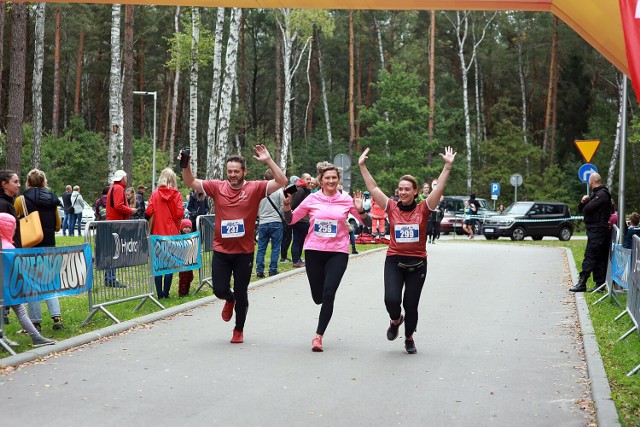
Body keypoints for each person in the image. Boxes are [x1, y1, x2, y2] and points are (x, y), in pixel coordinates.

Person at [180, 145, 288, 344]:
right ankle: (229, 299)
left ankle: (238, 329)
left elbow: (282, 181)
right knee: (219, 290)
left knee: (242, 291)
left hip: (244, 252)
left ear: (244, 172)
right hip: (221, 250)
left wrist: (268, 161)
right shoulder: (217, 187)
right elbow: (190, 181)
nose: (232, 175)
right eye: (229, 171)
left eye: (236, 171)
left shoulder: (254, 188)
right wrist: (185, 164)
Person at [359, 146, 456, 354]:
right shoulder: (391, 207)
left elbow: (438, 190)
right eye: (400, 189)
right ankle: (395, 320)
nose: (402, 192)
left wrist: (447, 166)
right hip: (394, 260)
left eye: (407, 189)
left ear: (415, 192)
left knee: (411, 304)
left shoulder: (423, 208)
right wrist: (362, 166)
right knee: (391, 300)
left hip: (418, 263)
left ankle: (409, 337)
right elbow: (373, 188)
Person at [283, 161, 365, 352]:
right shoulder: (312, 199)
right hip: (314, 251)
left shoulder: (345, 199)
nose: (331, 180)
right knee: (318, 297)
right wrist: (287, 206)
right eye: (327, 178)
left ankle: (318, 336)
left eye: (334, 177)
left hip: (338, 252)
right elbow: (291, 220)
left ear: (338, 180)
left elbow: (365, 222)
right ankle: (320, 303)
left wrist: (360, 209)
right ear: (320, 180)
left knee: (329, 294)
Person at [13, 169, 64, 331]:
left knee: (31, 284)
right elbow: (58, 226)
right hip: (49, 244)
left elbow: (14, 221)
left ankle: (35, 321)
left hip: (30, 245)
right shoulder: (52, 200)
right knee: (49, 281)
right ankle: (56, 317)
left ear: (28, 183)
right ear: (44, 182)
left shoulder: (21, 200)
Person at [0, 212, 57, 348]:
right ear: (7, 228)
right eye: (13, 226)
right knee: (19, 309)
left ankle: (3, 337)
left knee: (17, 309)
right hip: (6, 286)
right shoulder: (7, 246)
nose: (14, 229)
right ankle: (35, 337)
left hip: (6, 286)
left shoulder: (6, 244)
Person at [146, 167, 184, 299]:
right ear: (173, 179)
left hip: (157, 233)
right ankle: (166, 293)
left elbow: (149, 211)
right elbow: (179, 213)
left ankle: (159, 295)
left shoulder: (155, 194)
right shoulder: (177, 195)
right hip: (172, 233)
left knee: (158, 264)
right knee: (170, 264)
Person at [570, 173, 612, 292]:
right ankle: (599, 285)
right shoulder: (596, 194)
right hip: (595, 230)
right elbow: (582, 209)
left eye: (589, 181)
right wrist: (583, 201)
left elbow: (587, 210)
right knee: (598, 258)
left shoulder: (602, 194)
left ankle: (582, 282)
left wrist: (586, 204)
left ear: (592, 181)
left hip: (598, 230)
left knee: (590, 257)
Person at [105, 170, 137, 288]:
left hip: (113, 222)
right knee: (115, 251)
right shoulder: (118, 189)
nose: (127, 179)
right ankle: (111, 279)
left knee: (113, 251)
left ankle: (109, 278)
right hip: (115, 223)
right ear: (122, 178)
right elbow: (118, 206)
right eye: (126, 177)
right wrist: (130, 210)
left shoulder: (114, 188)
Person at [255, 169, 285, 278]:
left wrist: (260, 216)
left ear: (264, 178)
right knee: (276, 247)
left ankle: (259, 270)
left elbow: (256, 207)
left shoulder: (259, 191)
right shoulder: (279, 191)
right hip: (276, 221)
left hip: (263, 221)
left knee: (261, 247)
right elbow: (282, 206)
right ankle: (273, 269)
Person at [290, 173, 312, 268]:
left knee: (298, 240)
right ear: (302, 179)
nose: (309, 181)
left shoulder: (296, 187)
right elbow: (294, 205)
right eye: (307, 179)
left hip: (298, 219)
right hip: (301, 219)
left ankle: (297, 259)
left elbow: (284, 192)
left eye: (310, 179)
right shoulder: (302, 190)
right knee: (298, 240)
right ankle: (296, 260)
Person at [280, 175, 299, 263]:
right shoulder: (292, 188)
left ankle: (284, 255)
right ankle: (283, 256)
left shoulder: (290, 188)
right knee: (287, 237)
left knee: (287, 237)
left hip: (286, 213)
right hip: (287, 213)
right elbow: (286, 200)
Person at [178, 219, 195, 297]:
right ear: (181, 228)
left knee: (190, 276)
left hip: (189, 260)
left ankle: (187, 291)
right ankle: (182, 292)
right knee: (183, 277)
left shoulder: (192, 237)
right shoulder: (179, 237)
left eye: (189, 227)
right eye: (185, 227)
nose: (187, 229)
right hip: (182, 261)